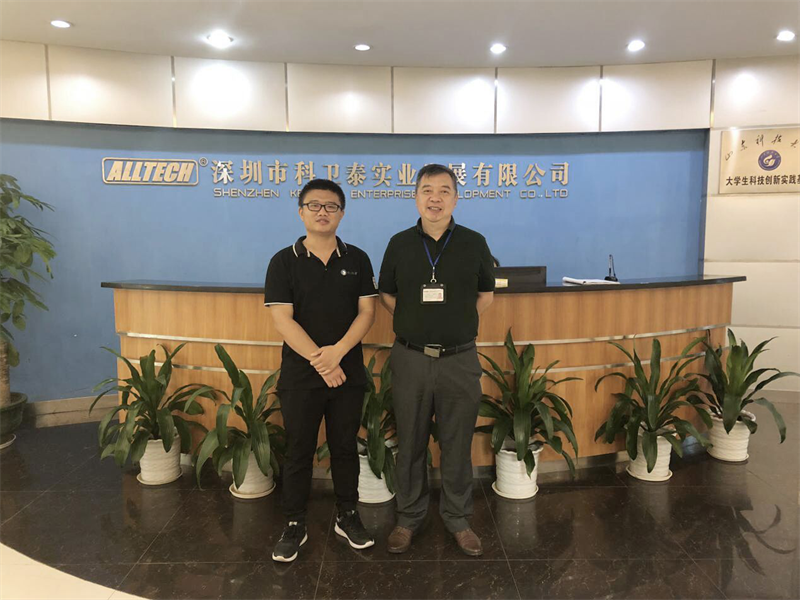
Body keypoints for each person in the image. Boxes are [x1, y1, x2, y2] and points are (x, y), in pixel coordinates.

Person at [378, 164, 495, 556]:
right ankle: (408, 517)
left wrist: (456, 324)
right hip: (410, 358)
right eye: (427, 190)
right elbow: (387, 294)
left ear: (455, 199)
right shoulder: (398, 244)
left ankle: (458, 518)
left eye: (444, 191)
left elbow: (486, 295)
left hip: (459, 360)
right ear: (416, 197)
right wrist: (414, 322)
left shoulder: (474, 242)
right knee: (410, 441)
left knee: (457, 443)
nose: (435, 198)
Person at [264, 178, 378, 562]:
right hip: (301, 375)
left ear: (342, 213)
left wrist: (338, 353)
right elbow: (282, 319)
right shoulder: (283, 261)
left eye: (331, 206)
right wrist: (321, 360)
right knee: (299, 449)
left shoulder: (357, 259)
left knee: (345, 447)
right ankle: (294, 522)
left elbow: (367, 312)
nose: (323, 212)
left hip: (347, 373)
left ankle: (348, 515)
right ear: (301, 212)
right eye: (314, 205)